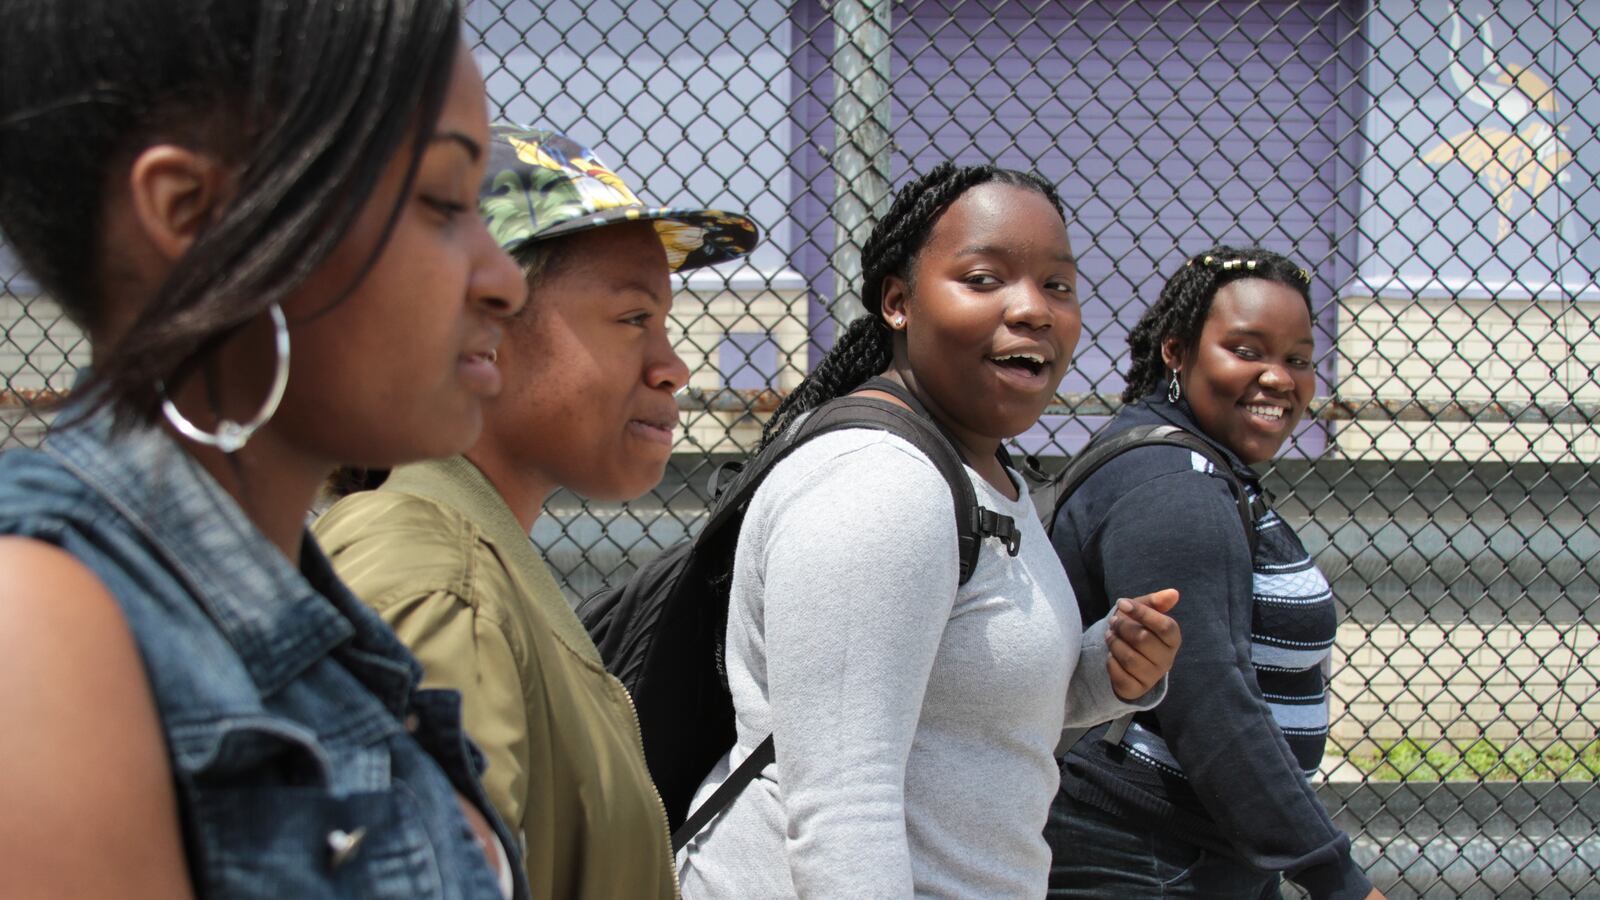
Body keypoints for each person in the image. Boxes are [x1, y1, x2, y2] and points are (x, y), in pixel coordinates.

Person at [0, 3, 533, 898]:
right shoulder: (42, 625)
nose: (505, 280)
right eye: (443, 201)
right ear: (195, 216)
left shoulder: (327, 635)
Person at [676, 161, 1182, 898]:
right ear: (897, 303)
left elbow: (955, 704)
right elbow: (843, 808)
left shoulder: (978, 472)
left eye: (1058, 285)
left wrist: (1102, 674)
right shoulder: (880, 484)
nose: (1034, 309)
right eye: (984, 279)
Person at [313, 124, 759, 899]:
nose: (673, 365)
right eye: (631, 319)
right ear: (480, 324)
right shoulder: (434, 574)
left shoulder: (469, 555)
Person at [1045, 247, 1382, 899]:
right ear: (1176, 352)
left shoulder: (1198, 468)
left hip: (1189, 847)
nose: (1280, 379)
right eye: (1247, 349)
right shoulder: (1172, 486)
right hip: (1144, 854)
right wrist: (1335, 879)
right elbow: (1208, 697)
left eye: (1299, 359)